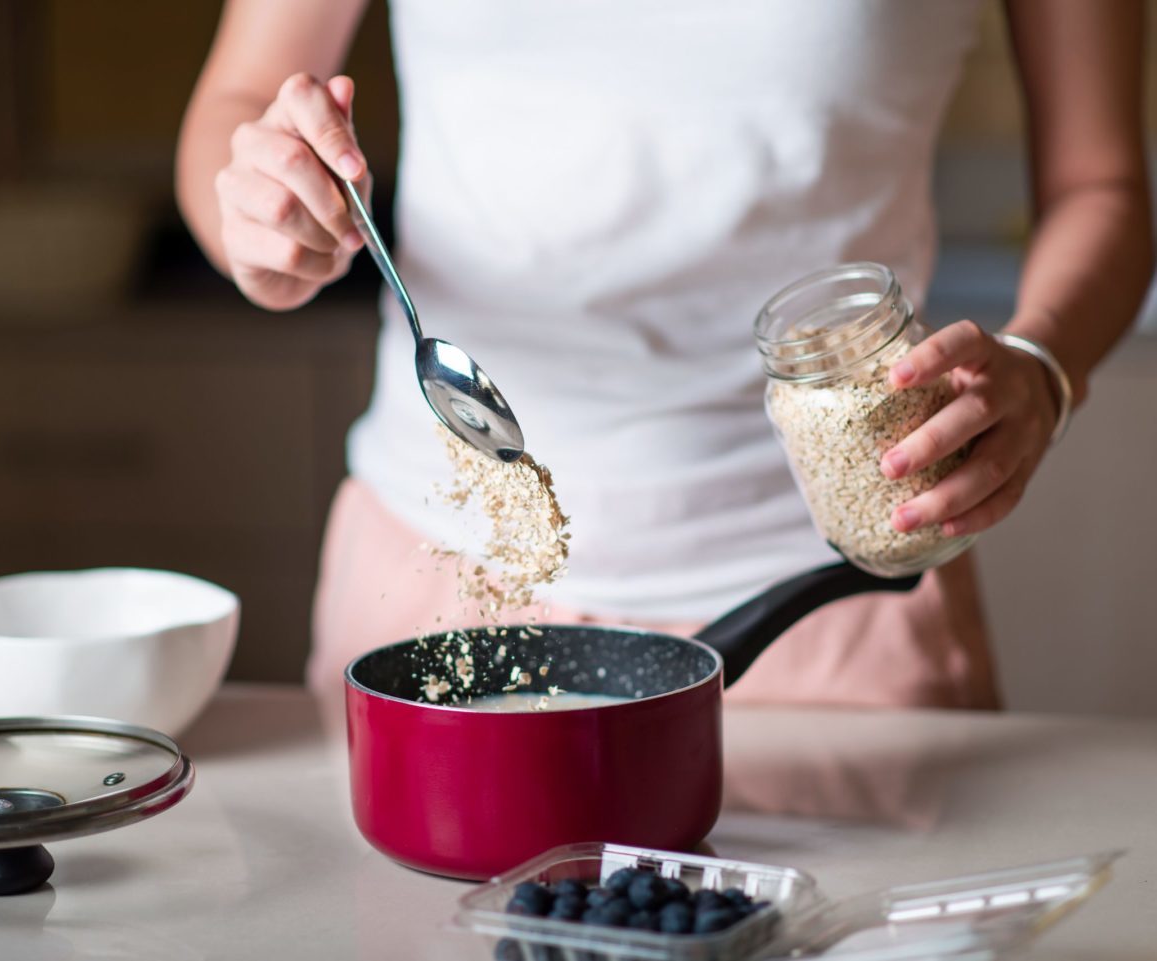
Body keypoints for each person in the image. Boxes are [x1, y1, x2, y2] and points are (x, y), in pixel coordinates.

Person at [177, 0, 1152, 710]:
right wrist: (260, 215)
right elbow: (237, 100)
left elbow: (1099, 181)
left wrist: (1042, 362)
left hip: (832, 598)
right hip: (443, 580)